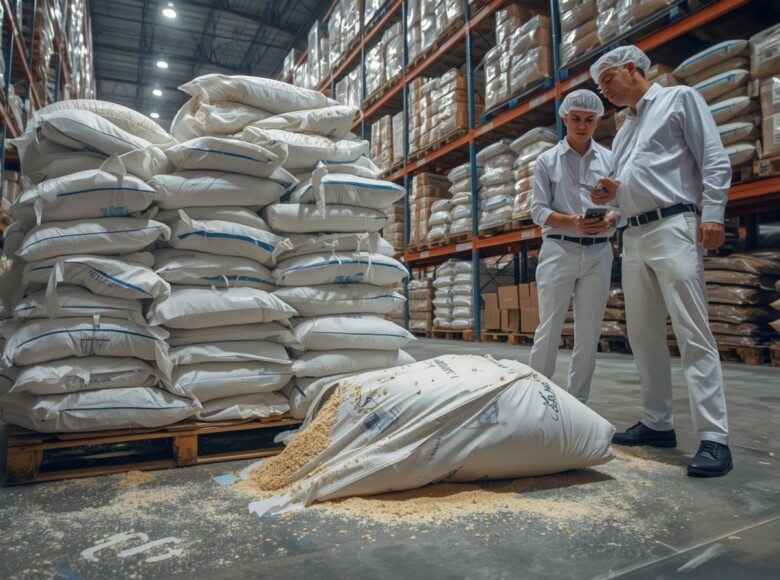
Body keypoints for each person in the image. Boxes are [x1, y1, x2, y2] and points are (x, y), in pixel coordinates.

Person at [589, 46, 733, 477]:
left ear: (632, 68)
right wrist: (608, 201)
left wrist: (712, 215)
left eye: (608, 79)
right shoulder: (626, 129)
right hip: (633, 234)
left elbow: (713, 157)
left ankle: (715, 437)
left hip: (673, 227)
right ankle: (658, 422)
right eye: (600, 85)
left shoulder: (678, 99)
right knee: (643, 334)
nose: (605, 90)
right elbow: (631, 185)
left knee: (692, 330)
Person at [529, 89, 616, 405]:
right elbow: (537, 210)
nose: (582, 126)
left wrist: (610, 219)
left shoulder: (610, 160)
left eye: (589, 120)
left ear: (598, 121)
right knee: (549, 328)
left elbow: (620, 206)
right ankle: (536, 398)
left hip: (598, 252)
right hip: (559, 249)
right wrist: (571, 222)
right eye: (576, 119)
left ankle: (577, 403)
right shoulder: (546, 161)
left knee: (589, 332)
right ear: (565, 119)